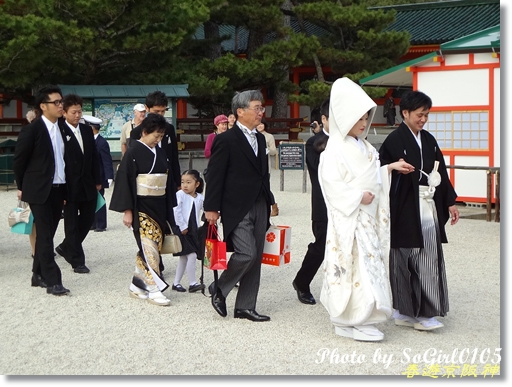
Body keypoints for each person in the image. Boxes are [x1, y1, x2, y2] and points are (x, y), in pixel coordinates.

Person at [317, 77, 415, 341]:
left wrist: (389, 169)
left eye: (365, 118)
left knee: (369, 265)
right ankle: (347, 319)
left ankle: (365, 315)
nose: (363, 123)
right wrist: (358, 196)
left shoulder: (366, 146)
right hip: (350, 218)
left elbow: (373, 174)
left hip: (366, 217)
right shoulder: (333, 150)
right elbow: (331, 185)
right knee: (352, 264)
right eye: (359, 119)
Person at [379, 90, 459, 331]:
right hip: (403, 206)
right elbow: (378, 171)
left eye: (426, 115)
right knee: (402, 258)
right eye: (419, 115)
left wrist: (450, 201)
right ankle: (404, 310)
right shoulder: (393, 140)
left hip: (427, 205)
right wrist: (392, 168)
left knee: (427, 257)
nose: (423, 119)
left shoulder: (429, 140)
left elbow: (441, 172)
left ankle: (425, 312)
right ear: (405, 113)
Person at [204, 90, 273, 322]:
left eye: (262, 108)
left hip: (260, 203)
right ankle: (220, 288)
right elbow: (214, 175)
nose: (261, 112)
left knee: (256, 256)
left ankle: (245, 306)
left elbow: (264, 174)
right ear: (240, 111)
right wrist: (211, 207)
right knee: (246, 253)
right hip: (236, 205)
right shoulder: (225, 140)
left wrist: (271, 199)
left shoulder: (261, 138)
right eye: (257, 107)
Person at [110, 114, 178, 306]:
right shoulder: (133, 152)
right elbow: (124, 181)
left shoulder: (160, 152)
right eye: (156, 135)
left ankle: (138, 285)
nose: (158, 140)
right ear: (145, 131)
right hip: (141, 205)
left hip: (160, 203)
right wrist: (127, 210)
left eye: (161, 136)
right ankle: (155, 290)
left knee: (154, 245)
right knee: (149, 247)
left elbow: (167, 176)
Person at [13, 85, 70, 295]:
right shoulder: (32, 130)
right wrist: (23, 187)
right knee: (45, 236)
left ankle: (37, 274)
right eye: (56, 102)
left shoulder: (63, 128)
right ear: (43, 106)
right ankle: (53, 280)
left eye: (61, 101)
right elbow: (19, 162)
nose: (60, 105)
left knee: (49, 233)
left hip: (58, 188)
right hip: (38, 190)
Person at [55, 94, 102, 274]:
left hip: (87, 182)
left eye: (79, 111)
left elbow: (94, 157)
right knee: (71, 222)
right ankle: (77, 260)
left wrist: (98, 180)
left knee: (88, 218)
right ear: (64, 112)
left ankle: (66, 246)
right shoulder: (59, 131)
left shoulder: (86, 130)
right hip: (68, 184)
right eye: (73, 112)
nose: (77, 115)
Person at [292, 97, 330, 305]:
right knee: (321, 245)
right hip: (323, 204)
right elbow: (317, 169)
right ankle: (302, 281)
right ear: (324, 119)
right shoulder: (314, 142)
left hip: (350, 204)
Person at [130, 91, 181, 190]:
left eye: (163, 111)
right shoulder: (137, 132)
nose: (160, 114)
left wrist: (177, 182)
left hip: (167, 177)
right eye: (156, 111)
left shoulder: (169, 128)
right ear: (147, 108)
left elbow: (174, 156)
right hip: (146, 180)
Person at [171, 170, 205, 293]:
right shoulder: (179, 194)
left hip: (193, 230)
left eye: (188, 182)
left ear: (197, 184)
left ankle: (176, 283)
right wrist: (182, 226)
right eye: (183, 182)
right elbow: (176, 211)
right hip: (182, 230)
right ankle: (192, 283)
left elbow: (206, 209)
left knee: (184, 258)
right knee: (192, 255)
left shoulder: (200, 197)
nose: (185, 185)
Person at [86, 115, 114, 232]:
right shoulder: (90, 141)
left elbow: (107, 161)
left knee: (100, 200)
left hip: (100, 176)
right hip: (91, 177)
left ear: (92, 128)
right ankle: (92, 222)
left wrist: (109, 176)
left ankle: (101, 224)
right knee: (91, 200)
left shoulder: (102, 142)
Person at [24, 108, 40, 257]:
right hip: (31, 183)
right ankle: (35, 250)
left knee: (40, 220)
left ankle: (39, 248)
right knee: (34, 220)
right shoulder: (29, 134)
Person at [255, 119, 279, 217]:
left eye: (262, 124)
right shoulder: (253, 135)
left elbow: (274, 150)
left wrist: (266, 149)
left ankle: (274, 206)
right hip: (254, 166)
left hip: (265, 166)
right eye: (258, 124)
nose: (260, 126)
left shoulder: (269, 136)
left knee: (266, 187)